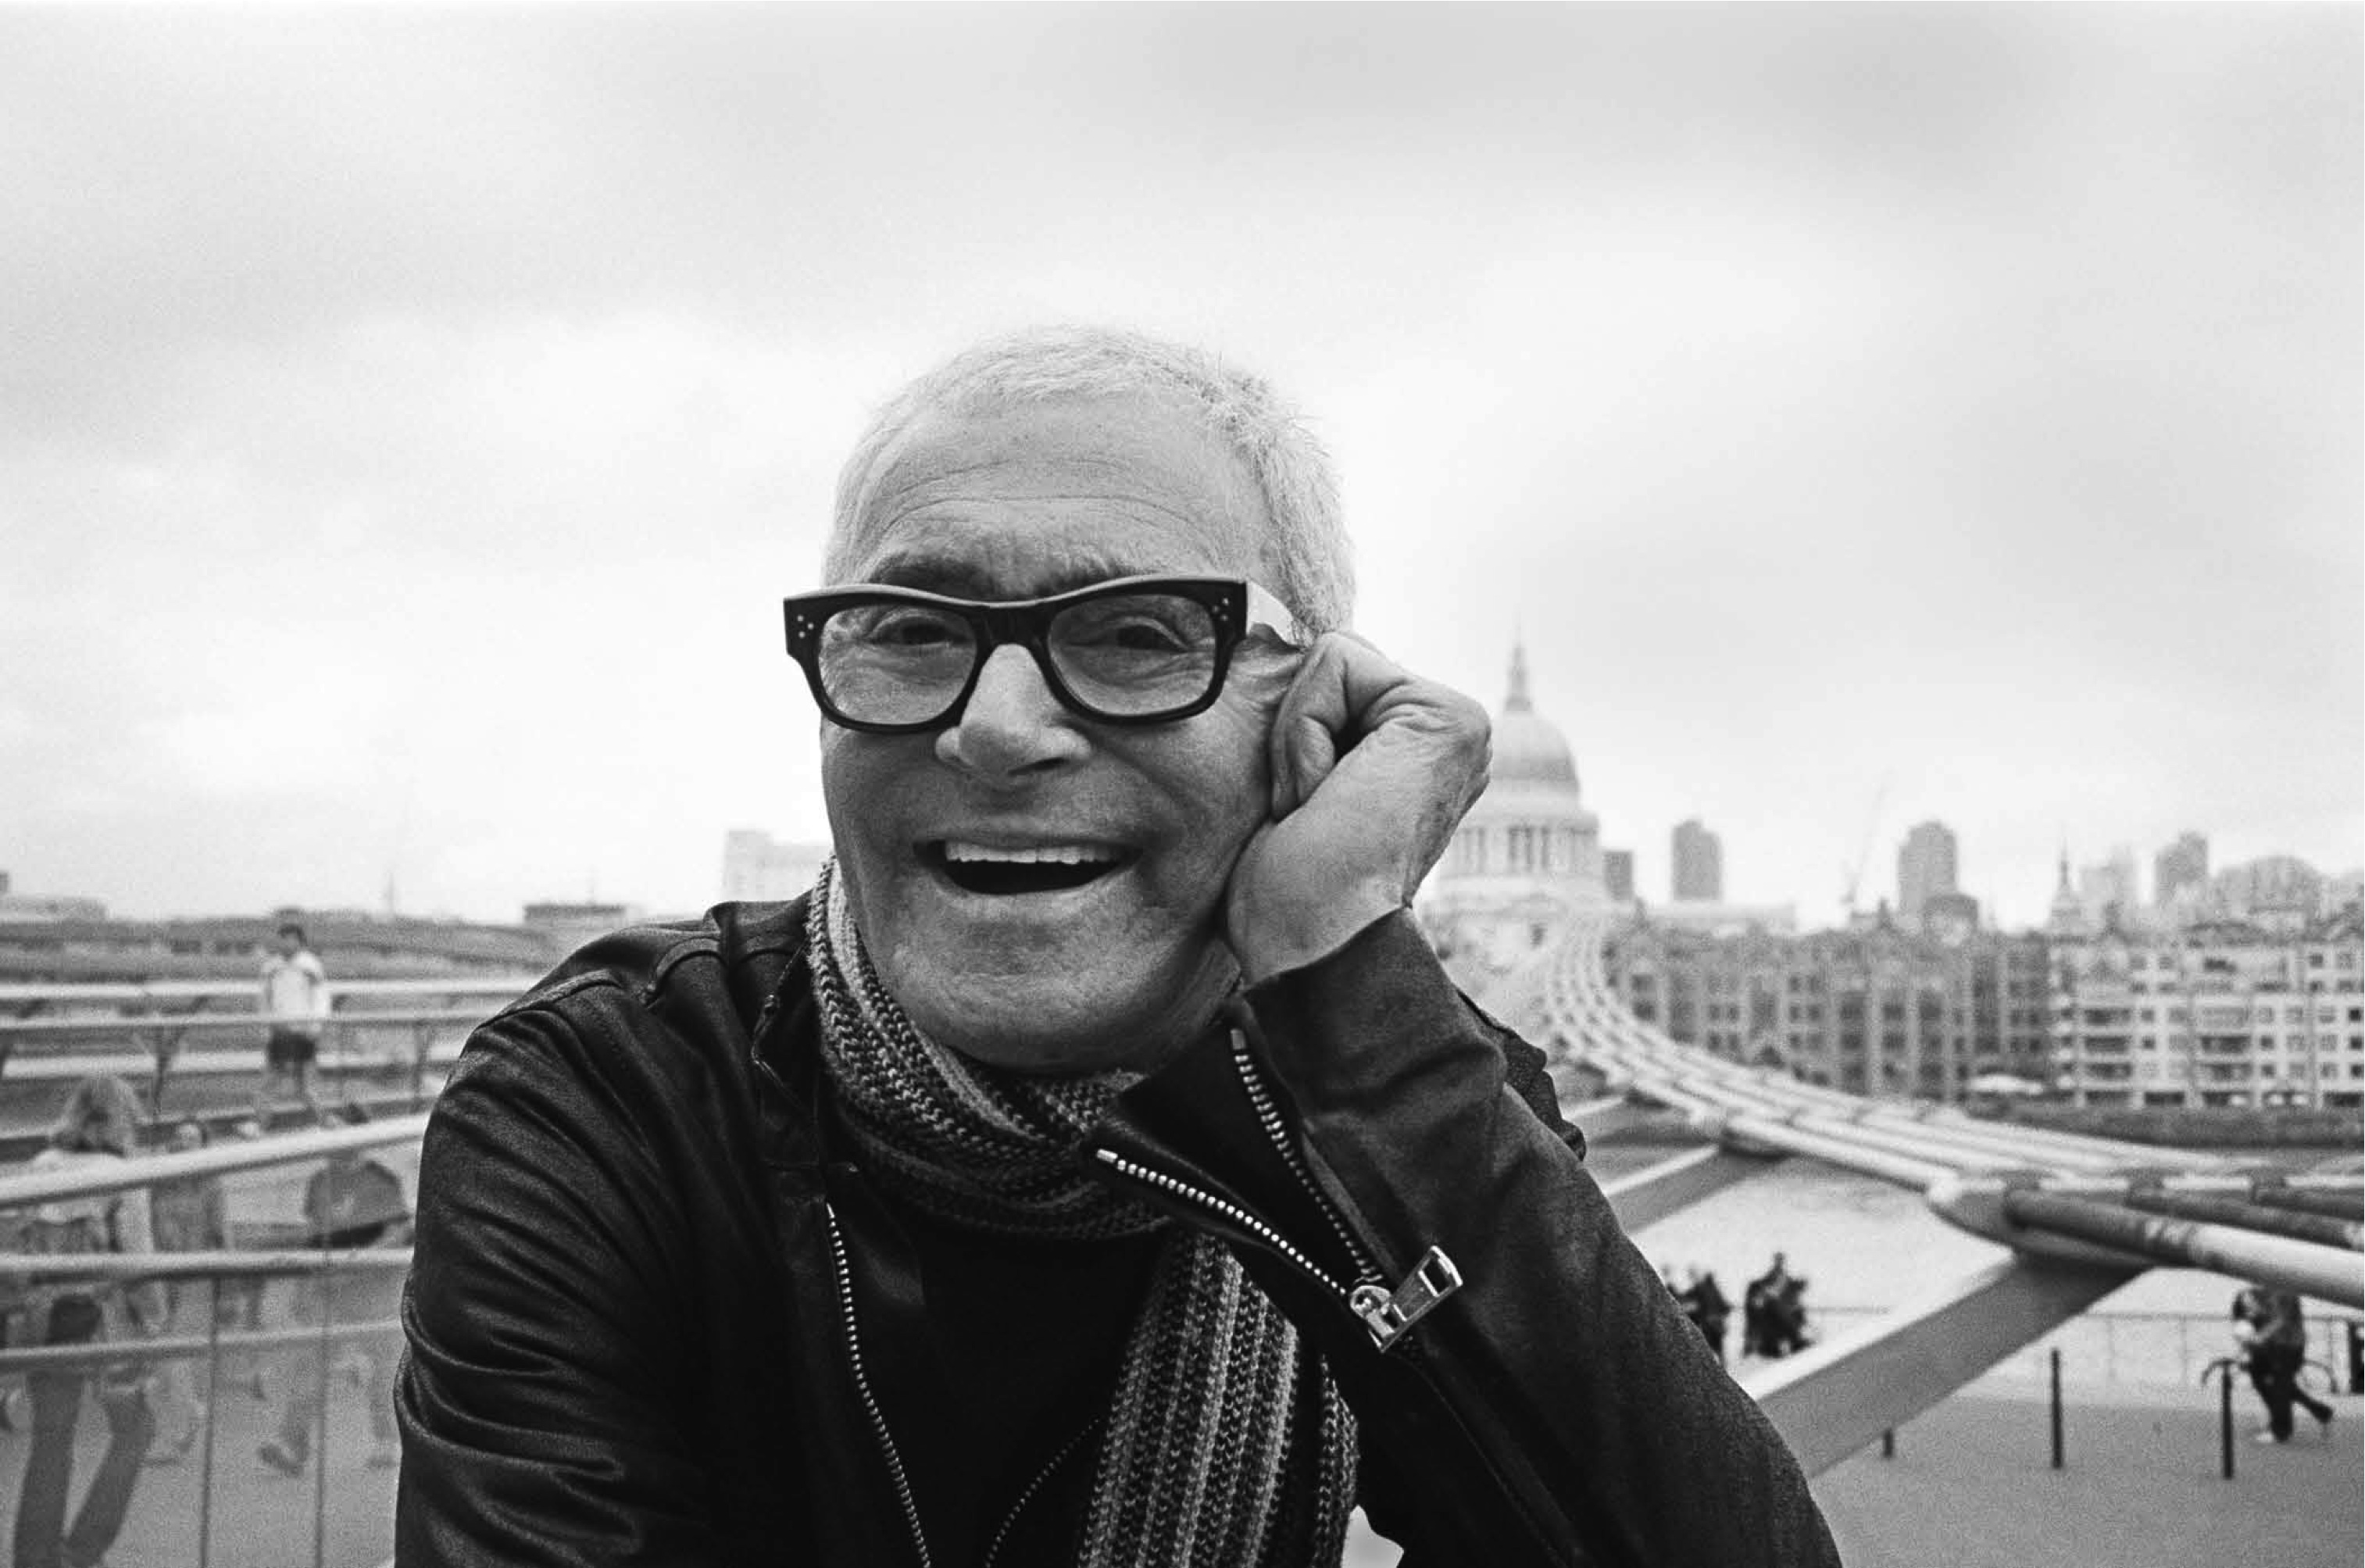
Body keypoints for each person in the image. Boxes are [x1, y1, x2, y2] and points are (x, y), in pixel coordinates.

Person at [397, 327, 1839, 1566]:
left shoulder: (1407, 1102)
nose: (998, 728)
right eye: (906, 627)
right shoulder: (610, 1102)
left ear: (1311, 718)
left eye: (1141, 634)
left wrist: (1341, 977)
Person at [5, 1074, 162, 1568]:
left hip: (41, 1319)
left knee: (53, 1437)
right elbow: (138, 1263)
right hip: (103, 1320)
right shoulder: (120, 1175)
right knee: (136, 1428)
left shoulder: (40, 1167)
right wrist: (156, 1323)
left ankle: (34, 1554)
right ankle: (85, 1548)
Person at [259, 1104, 410, 1477]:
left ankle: (387, 1442)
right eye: (325, 1131)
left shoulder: (382, 1180)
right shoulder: (319, 1181)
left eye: (336, 1130)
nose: (327, 1140)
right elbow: (314, 1233)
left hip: (374, 1293)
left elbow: (398, 1232)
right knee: (309, 1367)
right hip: (330, 1293)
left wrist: (361, 1260)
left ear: (357, 1135)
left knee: (383, 1370)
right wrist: (305, 1282)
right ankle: (292, 1447)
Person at [143, 1117, 227, 1465]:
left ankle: (180, 1426)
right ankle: (181, 1420)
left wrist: (229, 1286)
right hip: (164, 1276)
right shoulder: (159, 1185)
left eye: (192, 1138)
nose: (184, 1143)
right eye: (179, 1137)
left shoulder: (212, 1186)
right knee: (164, 1360)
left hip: (197, 1278)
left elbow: (221, 1235)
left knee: (172, 1354)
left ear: (203, 1146)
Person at [2233, 1283, 2335, 1444]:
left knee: (2281, 1386)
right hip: (2273, 1346)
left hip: (2288, 1345)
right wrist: (2251, 1307)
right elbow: (2264, 1314)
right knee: (2282, 1386)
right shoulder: (2265, 1291)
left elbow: (2281, 1320)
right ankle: (2320, 1411)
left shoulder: (2283, 1290)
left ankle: (2281, 1431)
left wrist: (2261, 1336)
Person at [257, 922, 331, 1122]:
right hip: (279, 1031)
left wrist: (315, 1026)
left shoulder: (311, 966)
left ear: (300, 942)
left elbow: (321, 998)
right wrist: (266, 1028)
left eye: (291, 939)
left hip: (304, 1031)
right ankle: (261, 1123)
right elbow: (264, 1000)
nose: (286, 944)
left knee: (306, 1082)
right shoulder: (271, 967)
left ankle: (321, 1121)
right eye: (283, 939)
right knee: (270, 1081)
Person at [1681, 1267, 1733, 1367]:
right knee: (1711, 1347)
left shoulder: (1710, 1288)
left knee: (1717, 1347)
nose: (1694, 1277)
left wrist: (1726, 1309)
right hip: (1707, 1324)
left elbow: (1720, 1302)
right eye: (1692, 1275)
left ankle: (1722, 1368)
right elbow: (1689, 1306)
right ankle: (1719, 1368)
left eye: (1695, 1275)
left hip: (1714, 1323)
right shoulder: (1695, 1291)